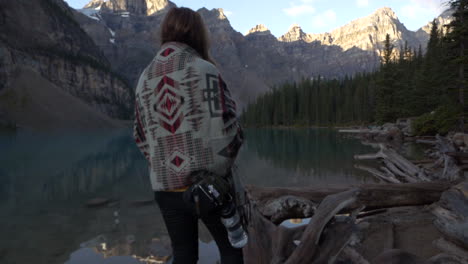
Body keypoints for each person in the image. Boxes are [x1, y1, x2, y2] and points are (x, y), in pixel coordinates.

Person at [133, 6, 245, 264]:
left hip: (165, 188)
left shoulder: (143, 78)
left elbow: (139, 135)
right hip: (209, 186)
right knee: (231, 251)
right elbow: (229, 125)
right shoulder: (204, 69)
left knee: (183, 255)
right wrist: (220, 165)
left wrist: (162, 167)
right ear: (198, 34)